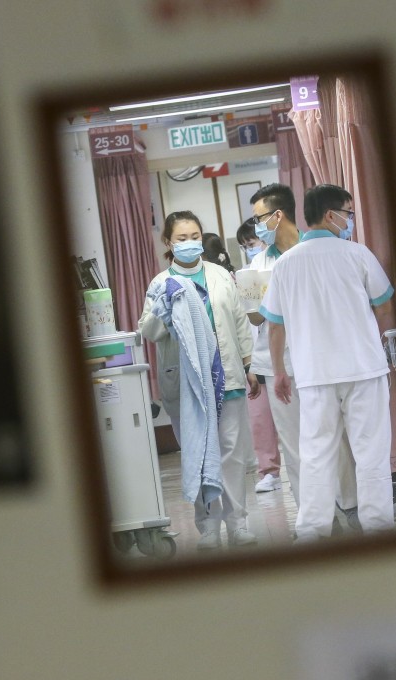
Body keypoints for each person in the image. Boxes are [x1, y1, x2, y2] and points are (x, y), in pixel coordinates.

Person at [259, 184, 396, 542]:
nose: (350, 221)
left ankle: (311, 532)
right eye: (348, 214)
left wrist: (279, 372)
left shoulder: (285, 265)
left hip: (313, 374)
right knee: (371, 452)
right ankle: (379, 527)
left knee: (316, 455)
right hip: (364, 368)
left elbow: (275, 325)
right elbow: (383, 305)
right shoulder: (357, 254)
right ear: (331, 214)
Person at [139, 211, 261, 550]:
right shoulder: (161, 284)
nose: (190, 243)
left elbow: (238, 323)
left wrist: (250, 365)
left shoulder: (221, 275)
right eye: (181, 238)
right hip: (187, 384)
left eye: (195, 236)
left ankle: (238, 524)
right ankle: (208, 527)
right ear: (168, 242)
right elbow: (147, 331)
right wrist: (162, 309)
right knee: (197, 453)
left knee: (231, 454)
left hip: (228, 378)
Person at [235, 220, 283, 493]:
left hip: (283, 353)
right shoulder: (248, 274)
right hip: (258, 356)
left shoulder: (283, 262)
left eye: (251, 244)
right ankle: (269, 471)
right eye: (244, 246)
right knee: (260, 419)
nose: (248, 249)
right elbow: (248, 321)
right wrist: (249, 362)